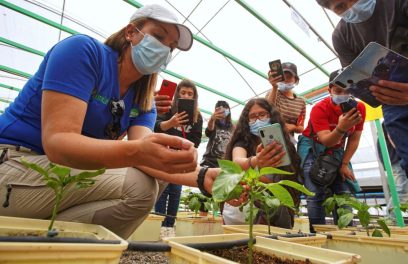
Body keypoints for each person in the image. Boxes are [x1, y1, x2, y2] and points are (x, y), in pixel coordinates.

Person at [0, 3, 220, 240]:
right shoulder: (83, 52)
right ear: (131, 32)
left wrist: (203, 177)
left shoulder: (143, 101)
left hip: (55, 176)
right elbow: (58, 142)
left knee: (155, 178)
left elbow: (148, 158)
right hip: (16, 164)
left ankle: (53, 248)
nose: (164, 49)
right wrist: (140, 151)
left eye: (171, 47)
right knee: (138, 187)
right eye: (158, 36)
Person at [316, 0, 408, 254]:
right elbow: (360, 78)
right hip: (395, 104)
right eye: (339, 7)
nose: (350, 7)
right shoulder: (342, 34)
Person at [297, 70, 365, 233]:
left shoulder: (360, 108)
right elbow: (326, 139)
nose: (343, 94)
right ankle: (317, 234)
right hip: (313, 148)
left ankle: (346, 234)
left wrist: (344, 164)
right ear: (329, 90)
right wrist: (341, 128)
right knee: (315, 194)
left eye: (349, 90)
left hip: (337, 150)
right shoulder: (319, 108)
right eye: (338, 91)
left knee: (343, 193)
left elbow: (354, 139)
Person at [222, 98, 302, 229]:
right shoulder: (243, 142)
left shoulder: (285, 145)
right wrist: (255, 161)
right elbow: (237, 161)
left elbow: (291, 176)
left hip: (273, 204)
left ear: (271, 116)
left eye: (262, 114)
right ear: (246, 121)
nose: (258, 120)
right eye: (252, 117)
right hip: (247, 204)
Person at [154, 79, 203, 236]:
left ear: (194, 97)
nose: (187, 96)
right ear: (177, 94)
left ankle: (170, 226)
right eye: (183, 92)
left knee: (176, 191)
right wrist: (171, 123)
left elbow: (196, 140)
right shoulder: (167, 109)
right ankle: (160, 226)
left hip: (181, 158)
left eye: (190, 93)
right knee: (162, 190)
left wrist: (185, 147)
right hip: (164, 155)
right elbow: (154, 127)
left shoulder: (197, 116)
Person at [376, 122, 408, 219]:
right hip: (397, 159)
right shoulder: (391, 120)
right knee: (403, 191)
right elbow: (393, 139)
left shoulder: (390, 119)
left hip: (395, 159)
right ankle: (390, 219)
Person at [266, 62, 306, 143]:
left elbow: (301, 128)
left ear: (296, 80)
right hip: (270, 138)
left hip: (288, 142)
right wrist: (274, 87)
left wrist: (293, 127)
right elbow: (267, 110)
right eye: (282, 77)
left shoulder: (301, 102)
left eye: (289, 77)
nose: (285, 80)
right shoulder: (273, 93)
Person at [200, 100, 234, 168]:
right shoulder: (214, 123)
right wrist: (212, 119)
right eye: (220, 108)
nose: (223, 111)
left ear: (229, 110)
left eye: (225, 108)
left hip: (225, 164)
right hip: (209, 162)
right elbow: (209, 129)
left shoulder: (232, 127)